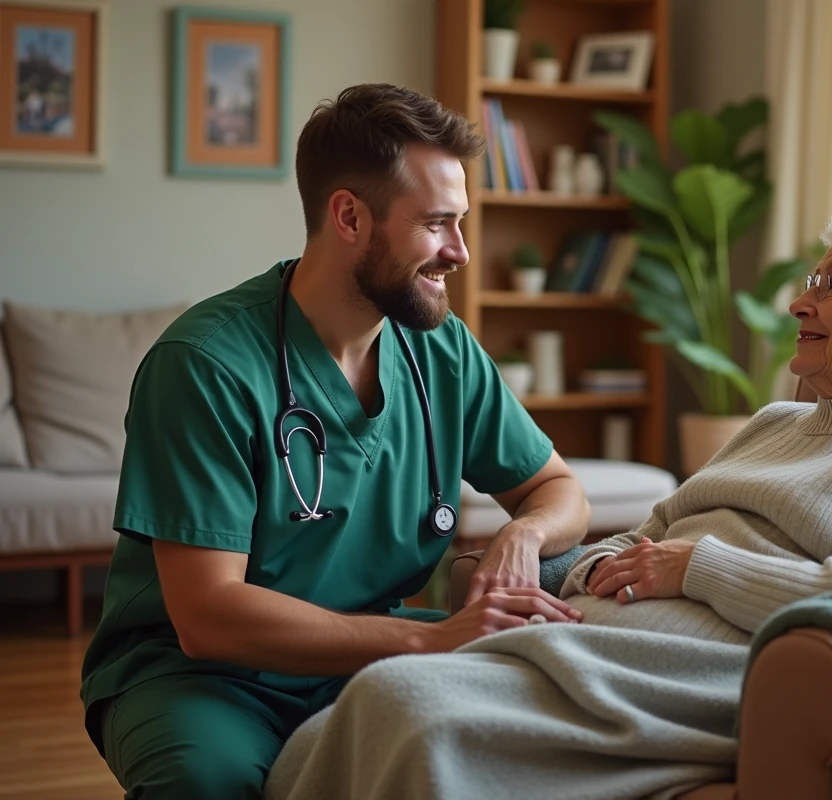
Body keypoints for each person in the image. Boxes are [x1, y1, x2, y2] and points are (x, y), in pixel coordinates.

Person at [263, 200, 832, 800]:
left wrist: (698, 570)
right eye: (812, 280)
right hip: (591, 646)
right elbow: (650, 534)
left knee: (408, 714)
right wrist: (604, 571)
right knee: (356, 712)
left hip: (696, 678)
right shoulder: (776, 422)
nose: (798, 301)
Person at [79, 83, 591, 800]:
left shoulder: (442, 353)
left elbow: (559, 490)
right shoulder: (205, 365)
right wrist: (429, 639)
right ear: (348, 215)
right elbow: (207, 616)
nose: (461, 253)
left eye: (462, 223)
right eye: (438, 224)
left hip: (369, 650)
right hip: (205, 677)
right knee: (207, 783)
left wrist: (526, 537)